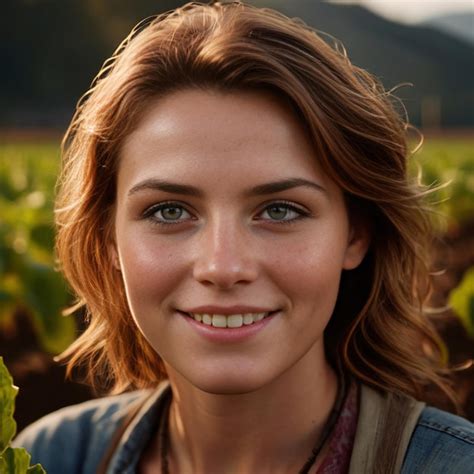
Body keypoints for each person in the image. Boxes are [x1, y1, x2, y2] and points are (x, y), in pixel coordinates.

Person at [14, 2, 474, 473]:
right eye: (168, 211)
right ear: (109, 238)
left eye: (279, 210)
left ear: (355, 234)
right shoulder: (52, 456)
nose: (223, 266)